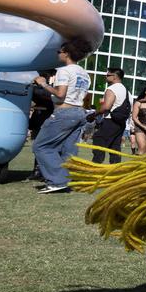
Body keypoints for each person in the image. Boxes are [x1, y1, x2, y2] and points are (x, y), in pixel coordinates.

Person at [32, 40, 93, 193]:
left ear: (66, 53)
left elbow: (60, 94)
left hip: (64, 112)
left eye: (59, 52)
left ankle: (57, 181)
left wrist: (43, 84)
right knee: (69, 150)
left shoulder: (64, 71)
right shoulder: (85, 74)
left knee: (41, 146)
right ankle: (66, 180)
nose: (58, 54)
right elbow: (83, 96)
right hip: (79, 112)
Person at [88, 67, 129, 164]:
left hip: (110, 120)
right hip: (120, 123)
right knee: (114, 148)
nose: (105, 76)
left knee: (98, 140)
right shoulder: (126, 91)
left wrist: (94, 114)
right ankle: (114, 171)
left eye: (107, 75)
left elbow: (106, 107)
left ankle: (95, 166)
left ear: (114, 77)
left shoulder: (112, 89)